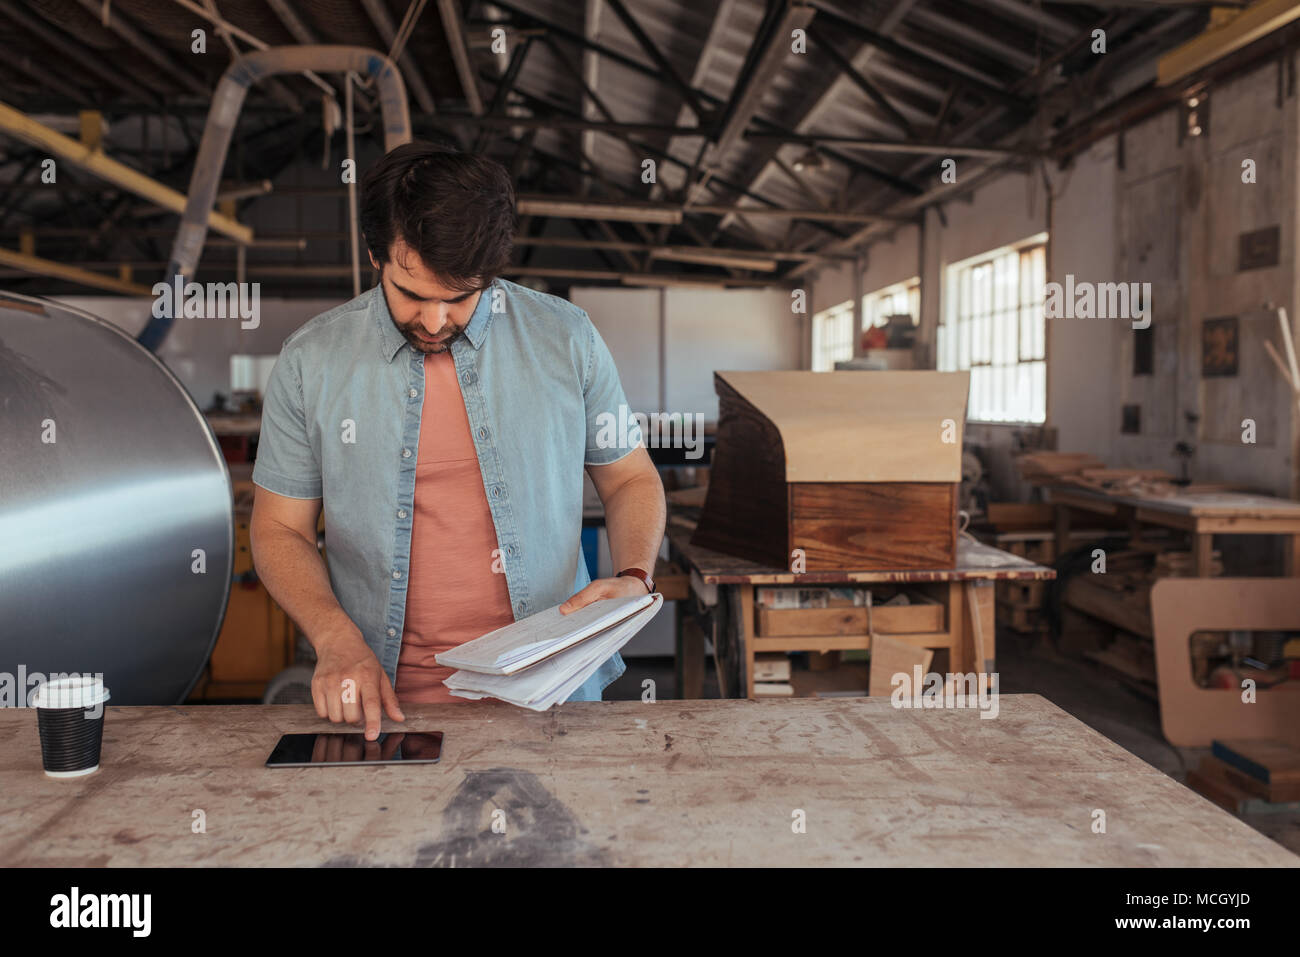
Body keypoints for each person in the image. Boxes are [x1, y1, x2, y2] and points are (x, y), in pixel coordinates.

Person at [250, 142, 666, 739]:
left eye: (461, 297)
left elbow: (630, 477)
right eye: (413, 295)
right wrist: (334, 638)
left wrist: (635, 576)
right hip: (385, 707)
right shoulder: (310, 363)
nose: (436, 321)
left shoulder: (566, 339)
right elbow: (278, 528)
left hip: (557, 696)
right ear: (374, 255)